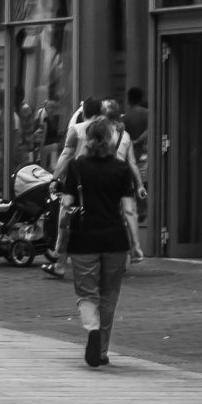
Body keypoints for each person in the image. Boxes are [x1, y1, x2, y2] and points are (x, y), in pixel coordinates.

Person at [59, 117, 142, 368]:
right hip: (115, 240)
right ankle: (102, 351)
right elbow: (129, 211)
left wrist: (60, 241)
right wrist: (136, 244)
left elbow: (65, 207)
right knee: (109, 295)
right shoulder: (121, 169)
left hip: (84, 239)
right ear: (111, 139)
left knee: (86, 294)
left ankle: (92, 328)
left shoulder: (76, 167)